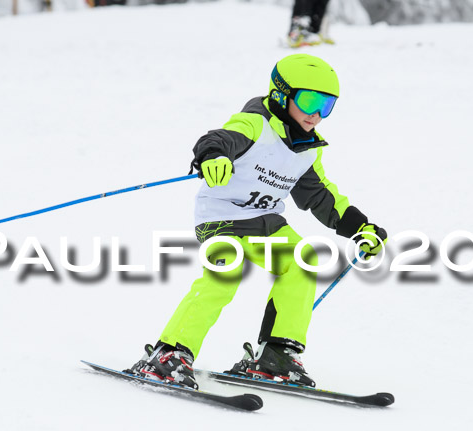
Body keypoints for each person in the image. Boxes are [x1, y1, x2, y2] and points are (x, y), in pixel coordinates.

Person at [125, 54, 387, 389]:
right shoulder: (255, 124)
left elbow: (322, 197)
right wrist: (214, 156)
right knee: (225, 275)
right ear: (281, 94)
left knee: (302, 262)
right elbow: (217, 139)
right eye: (309, 101)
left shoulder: (308, 149)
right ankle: (170, 354)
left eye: (327, 105)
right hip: (223, 218)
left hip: (267, 222)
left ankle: (276, 354)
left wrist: (361, 228)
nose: (316, 114)